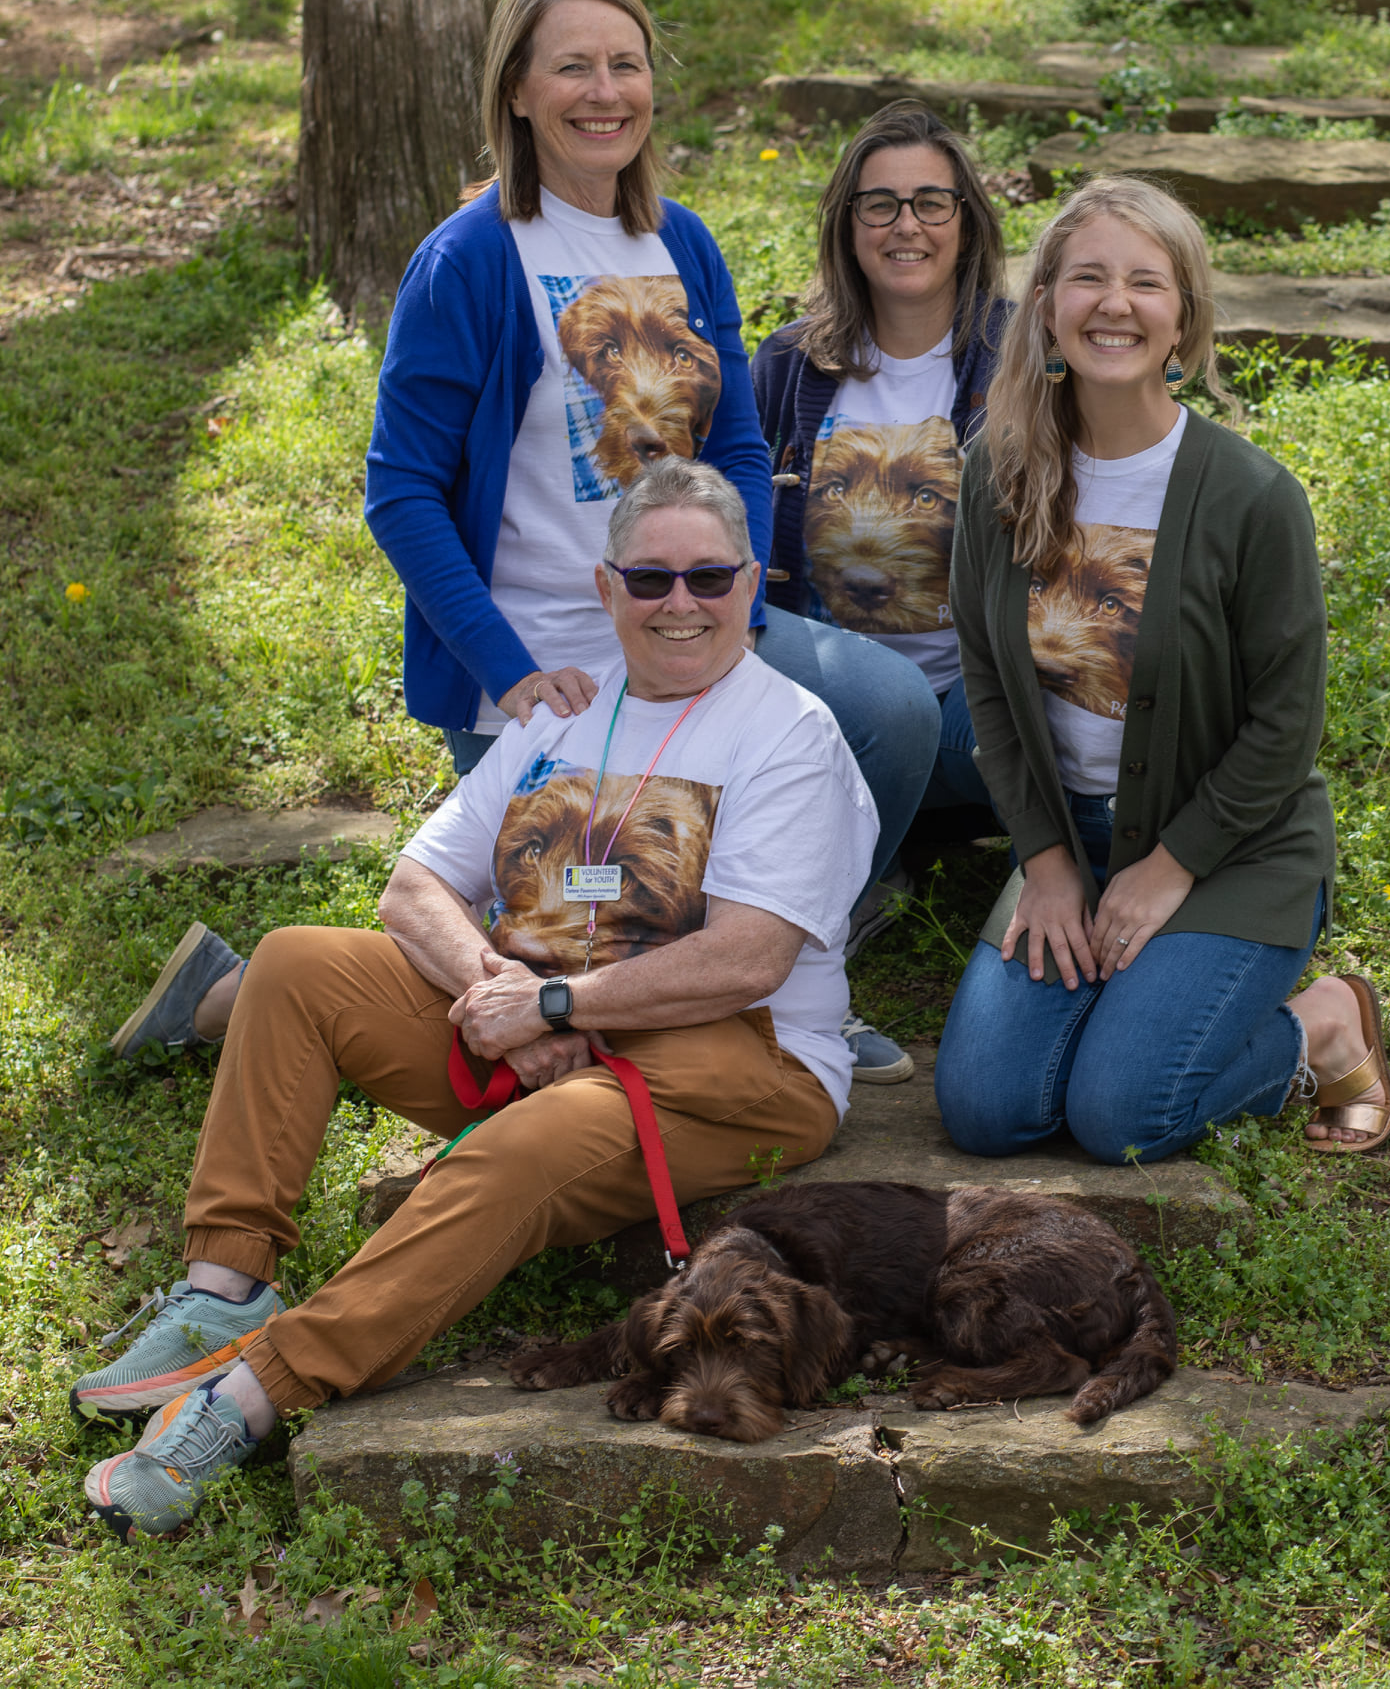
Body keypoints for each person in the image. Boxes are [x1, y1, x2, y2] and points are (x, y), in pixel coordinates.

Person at [75, 460, 877, 1541]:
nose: (679, 602)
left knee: (526, 1142)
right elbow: (413, 886)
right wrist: (500, 991)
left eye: (707, 576)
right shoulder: (563, 714)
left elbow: (746, 958)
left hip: (736, 1061)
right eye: (650, 577)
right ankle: (224, 1286)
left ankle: (253, 1391)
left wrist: (556, 1003)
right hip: (537, 1018)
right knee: (298, 962)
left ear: (748, 585)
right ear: (606, 588)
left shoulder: (788, 735)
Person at [359, 0, 937, 1085]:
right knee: (583, 903)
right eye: (571, 65)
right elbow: (402, 492)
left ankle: (805, 957)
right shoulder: (470, 259)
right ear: (517, 91)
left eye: (625, 64)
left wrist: (735, 591)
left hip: (683, 614)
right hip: (545, 657)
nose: (603, 90)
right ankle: (245, 998)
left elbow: (727, 444)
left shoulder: (682, 240)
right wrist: (510, 670)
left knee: (890, 708)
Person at [934, 175, 1390, 1165]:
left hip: (1227, 854)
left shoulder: (1251, 496)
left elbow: (1283, 727)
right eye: (1087, 277)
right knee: (984, 1107)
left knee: (1119, 1113)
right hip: (1070, 844)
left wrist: (1167, 868)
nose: (1113, 304)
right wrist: (1046, 863)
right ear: (1047, 304)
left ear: (1181, 319)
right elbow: (985, 679)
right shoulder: (996, 470)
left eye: (1145, 282)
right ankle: (1115, 990)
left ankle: (1317, 1022)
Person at [751, 100, 1012, 885]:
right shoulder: (786, 365)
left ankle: (907, 829)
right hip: (828, 709)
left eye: (932, 202)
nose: (907, 225)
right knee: (884, 713)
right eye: (879, 205)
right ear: (846, 223)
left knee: (1072, 739)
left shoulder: (1027, 357)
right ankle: (864, 849)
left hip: (972, 701)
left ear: (965, 222)